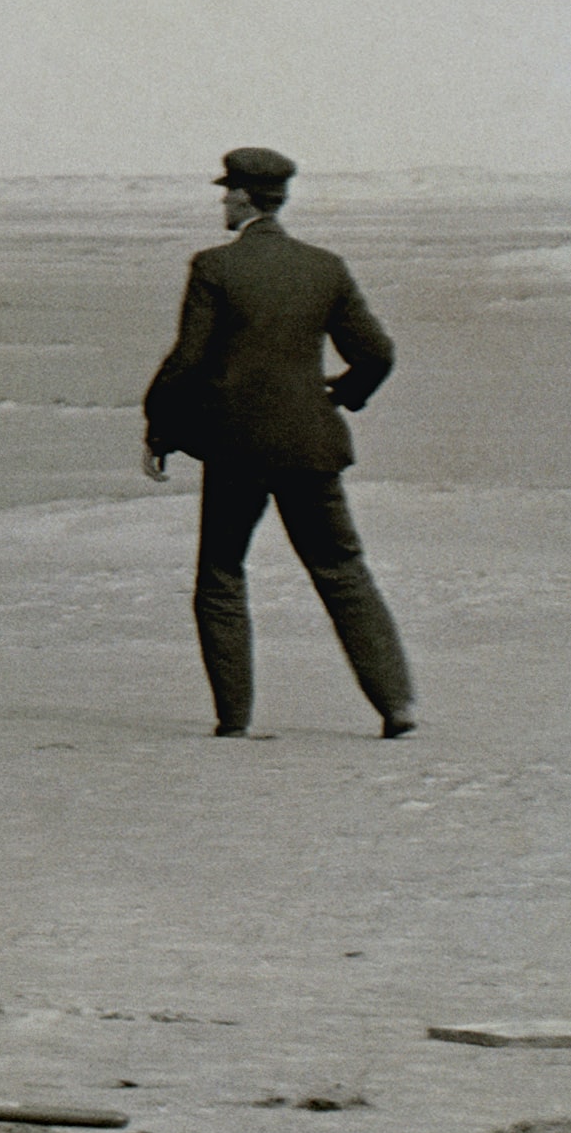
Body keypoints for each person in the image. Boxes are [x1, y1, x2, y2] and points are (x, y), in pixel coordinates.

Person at [142, 145, 416, 738]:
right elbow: (376, 353)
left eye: (226, 191)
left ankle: (234, 722)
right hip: (311, 445)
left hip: (237, 450)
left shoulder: (215, 267)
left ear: (243, 196)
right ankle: (398, 707)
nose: (222, 200)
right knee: (342, 570)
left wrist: (159, 426)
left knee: (221, 574)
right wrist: (342, 395)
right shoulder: (325, 267)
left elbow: (187, 360)